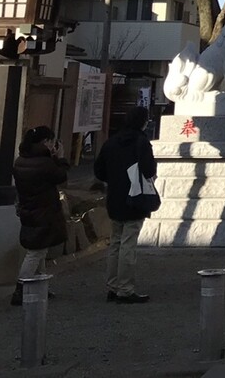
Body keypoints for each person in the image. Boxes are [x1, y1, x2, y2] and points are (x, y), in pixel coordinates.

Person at [93, 105, 158, 303]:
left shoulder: (111, 142)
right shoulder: (141, 142)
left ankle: (112, 286)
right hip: (135, 197)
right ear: (143, 122)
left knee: (115, 242)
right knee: (128, 243)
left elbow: (99, 170)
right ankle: (126, 289)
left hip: (114, 197)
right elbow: (148, 170)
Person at [11, 125, 68, 305]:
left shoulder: (21, 160)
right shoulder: (45, 163)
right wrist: (61, 158)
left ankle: (39, 285)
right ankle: (21, 287)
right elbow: (60, 177)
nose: (53, 145)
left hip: (29, 208)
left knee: (39, 249)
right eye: (52, 141)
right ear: (45, 142)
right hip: (43, 210)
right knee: (36, 252)